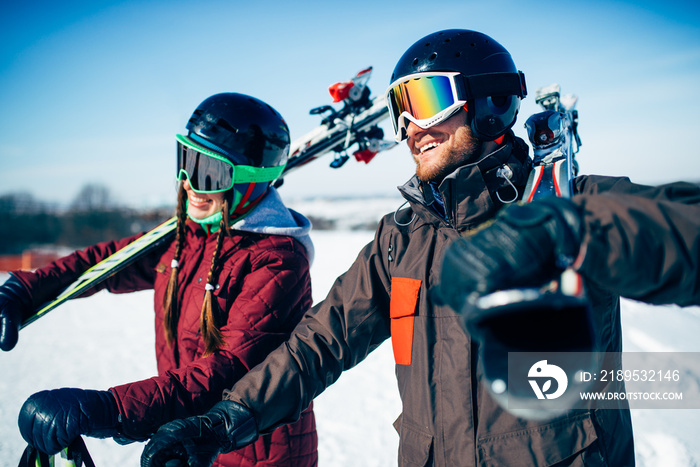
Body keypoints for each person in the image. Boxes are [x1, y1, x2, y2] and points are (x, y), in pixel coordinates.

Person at [140, 30, 700, 467]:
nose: (410, 127)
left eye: (425, 100)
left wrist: (574, 233)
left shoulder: (571, 202)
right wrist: (229, 418)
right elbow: (318, 344)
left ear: (488, 103)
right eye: (398, 108)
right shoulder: (401, 240)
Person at [3, 92, 319, 466]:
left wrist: (110, 409)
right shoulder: (191, 235)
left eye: (207, 172)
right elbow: (109, 261)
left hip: (256, 453)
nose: (188, 183)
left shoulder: (277, 261)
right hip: (191, 439)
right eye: (184, 161)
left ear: (249, 181)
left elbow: (229, 369)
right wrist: (25, 288)